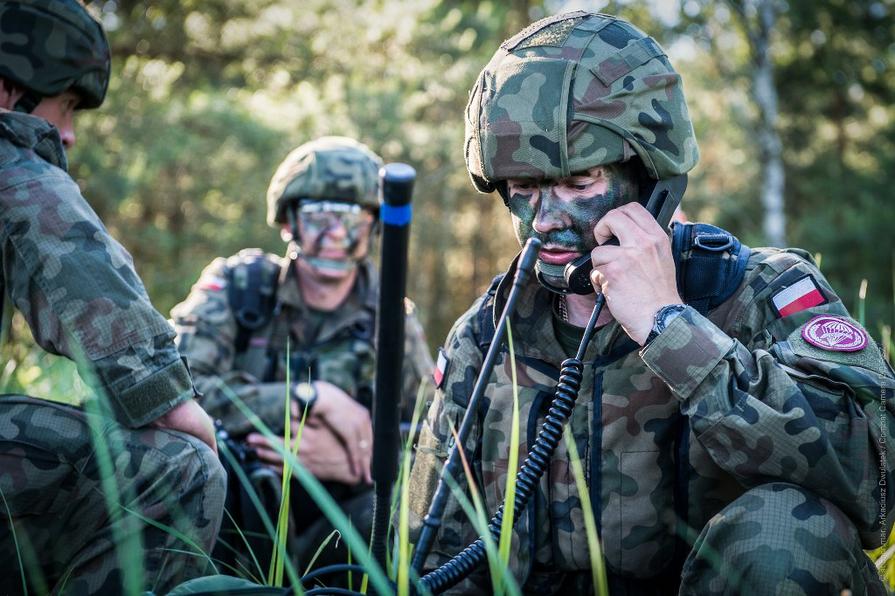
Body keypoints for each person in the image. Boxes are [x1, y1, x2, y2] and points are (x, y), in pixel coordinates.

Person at [407, 11, 895, 595]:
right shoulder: (488, 336)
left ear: (650, 179)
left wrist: (670, 327)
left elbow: (872, 481)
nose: (546, 219)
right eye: (524, 189)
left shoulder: (761, 289)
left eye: (579, 182)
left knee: (788, 529)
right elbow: (431, 557)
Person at [0, 1, 225, 593]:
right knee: (180, 469)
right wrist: (180, 411)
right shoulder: (8, 156)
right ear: (7, 92)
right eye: (66, 104)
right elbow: (69, 255)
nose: (69, 132)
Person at [171, 136, 434, 570]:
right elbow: (176, 385)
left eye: (351, 220)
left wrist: (365, 466)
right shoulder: (240, 287)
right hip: (233, 505)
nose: (334, 237)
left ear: (375, 227)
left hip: (340, 523)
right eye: (317, 219)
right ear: (289, 223)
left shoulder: (393, 322)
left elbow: (438, 441)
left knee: (406, 523)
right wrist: (310, 397)